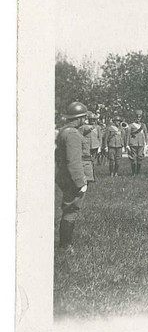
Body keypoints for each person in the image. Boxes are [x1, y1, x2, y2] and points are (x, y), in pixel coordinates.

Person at [55, 102, 95, 253]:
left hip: (64, 176)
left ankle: (64, 245)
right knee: (71, 209)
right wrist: (81, 182)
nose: (85, 119)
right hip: (73, 178)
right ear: (79, 118)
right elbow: (74, 161)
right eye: (84, 117)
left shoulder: (65, 131)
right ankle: (65, 246)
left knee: (69, 208)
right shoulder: (73, 135)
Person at [125, 111, 148, 176]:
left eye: (140, 117)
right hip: (133, 143)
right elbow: (128, 135)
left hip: (141, 144)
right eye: (137, 117)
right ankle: (133, 173)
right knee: (133, 158)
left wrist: (147, 143)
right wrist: (127, 144)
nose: (138, 119)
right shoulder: (131, 125)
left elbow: (146, 135)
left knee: (140, 157)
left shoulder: (143, 125)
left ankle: (138, 172)